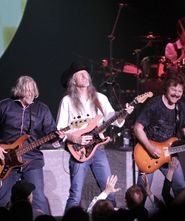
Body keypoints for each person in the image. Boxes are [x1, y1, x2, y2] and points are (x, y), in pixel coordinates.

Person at [56, 61, 134, 211]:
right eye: (81, 74)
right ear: (73, 80)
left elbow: (115, 120)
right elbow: (60, 130)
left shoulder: (100, 98)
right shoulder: (67, 101)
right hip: (78, 150)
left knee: (109, 191)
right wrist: (75, 138)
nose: (86, 75)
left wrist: (123, 114)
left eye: (86, 73)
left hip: (98, 150)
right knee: (75, 195)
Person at [0, 75, 60, 215]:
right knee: (3, 199)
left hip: (32, 159)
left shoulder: (41, 109)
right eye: (27, 90)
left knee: (38, 198)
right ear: (19, 90)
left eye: (33, 90)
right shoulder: (4, 106)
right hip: (6, 160)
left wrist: (58, 136)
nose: (31, 93)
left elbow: (51, 132)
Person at [133, 71, 185, 197]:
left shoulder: (181, 108)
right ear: (166, 88)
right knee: (141, 193)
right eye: (173, 90)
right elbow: (137, 128)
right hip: (147, 153)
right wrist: (149, 147)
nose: (176, 94)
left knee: (181, 190)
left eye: (179, 91)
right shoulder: (154, 104)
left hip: (170, 155)